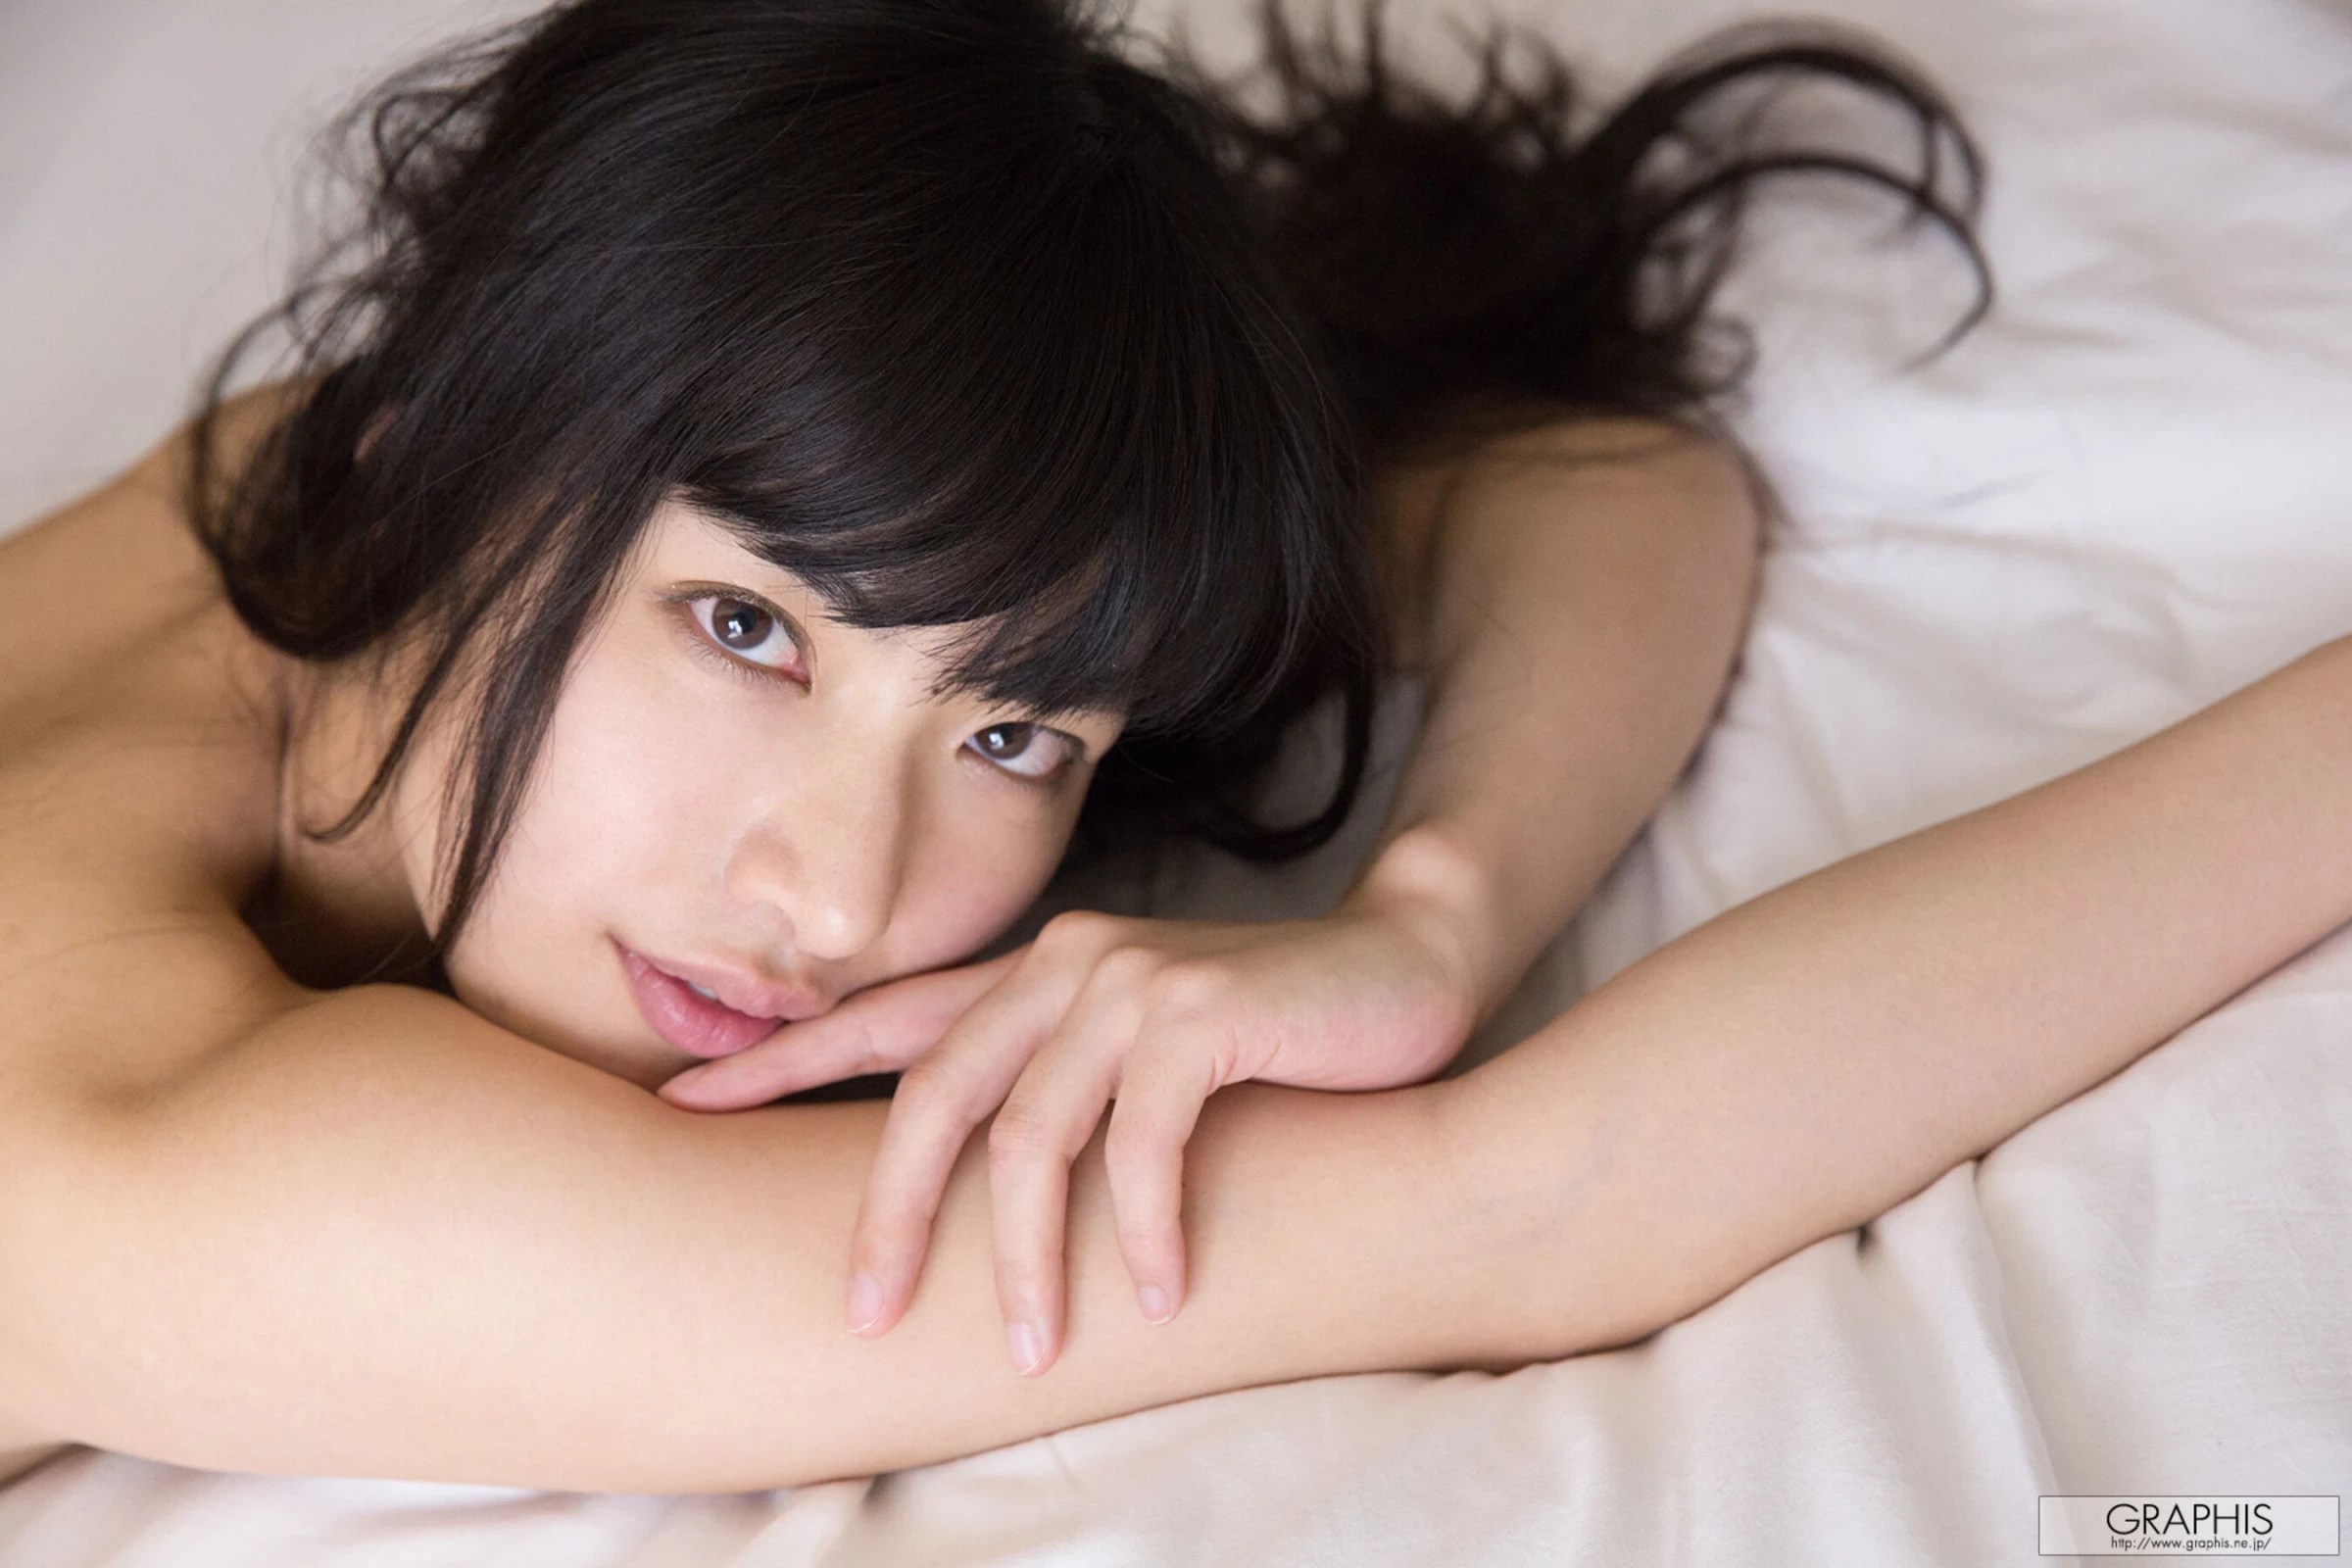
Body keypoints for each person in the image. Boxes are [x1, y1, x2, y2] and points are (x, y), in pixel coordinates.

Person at [23, 0, 2293, 1496]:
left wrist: (1434, 910)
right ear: (445, 451)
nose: (838, 892)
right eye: (747, 631)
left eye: (1014, 729)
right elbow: (1532, 1202)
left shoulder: (363, 472)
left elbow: (1600, 481)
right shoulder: (167, 1174)